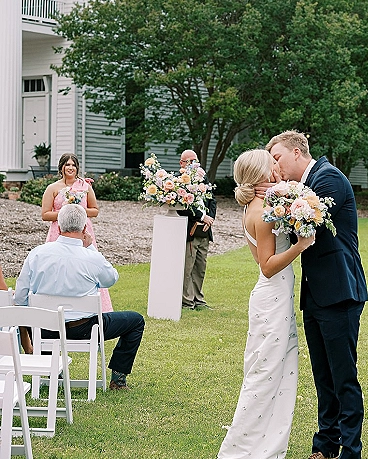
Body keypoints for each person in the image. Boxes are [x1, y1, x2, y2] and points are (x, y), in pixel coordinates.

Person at [266, 131, 368, 459]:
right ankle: (324, 446)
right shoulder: (305, 185)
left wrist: (279, 199)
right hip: (315, 293)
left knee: (343, 376)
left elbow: (310, 222)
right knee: (323, 376)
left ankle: (349, 454)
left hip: (340, 291)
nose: (276, 167)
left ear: (297, 152)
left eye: (278, 158)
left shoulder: (329, 179)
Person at [217, 149, 314, 459]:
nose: (277, 166)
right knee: (265, 374)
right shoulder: (260, 212)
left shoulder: (262, 207)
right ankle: (245, 447)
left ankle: (268, 446)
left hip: (275, 299)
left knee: (276, 371)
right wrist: (300, 246)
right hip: (271, 297)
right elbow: (268, 266)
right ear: (259, 173)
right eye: (271, 163)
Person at [14, 204, 145, 390]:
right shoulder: (91, 257)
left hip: (44, 330)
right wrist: (91, 247)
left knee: (29, 316)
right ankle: (118, 379)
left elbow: (19, 298)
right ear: (85, 228)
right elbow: (111, 279)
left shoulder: (37, 254)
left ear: (58, 227)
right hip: (85, 329)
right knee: (136, 321)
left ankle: (54, 373)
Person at [41, 153, 113, 312]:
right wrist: (65, 211)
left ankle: (94, 305)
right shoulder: (53, 188)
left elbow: (95, 211)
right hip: (59, 231)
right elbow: (45, 214)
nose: (70, 168)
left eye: (73, 165)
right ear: (61, 168)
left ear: (77, 168)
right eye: (67, 165)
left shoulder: (85, 187)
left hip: (83, 230)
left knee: (86, 264)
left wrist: (78, 210)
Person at [177, 150, 217, 311]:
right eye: (190, 161)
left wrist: (210, 218)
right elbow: (182, 208)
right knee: (188, 267)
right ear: (182, 163)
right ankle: (187, 302)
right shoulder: (179, 182)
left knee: (200, 267)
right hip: (191, 230)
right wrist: (202, 216)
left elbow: (212, 200)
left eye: (196, 160)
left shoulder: (203, 178)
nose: (194, 164)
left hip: (205, 229)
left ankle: (198, 299)